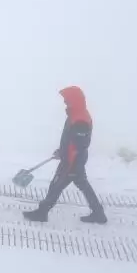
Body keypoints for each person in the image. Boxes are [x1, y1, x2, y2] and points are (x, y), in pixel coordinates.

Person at [24, 86, 106, 224]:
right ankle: (99, 214)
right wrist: (61, 151)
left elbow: (79, 145)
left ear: (74, 100)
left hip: (72, 161)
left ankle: (42, 213)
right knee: (82, 185)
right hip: (73, 159)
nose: (64, 102)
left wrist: (69, 163)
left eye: (67, 99)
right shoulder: (75, 115)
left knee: (56, 185)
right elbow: (71, 141)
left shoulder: (80, 119)